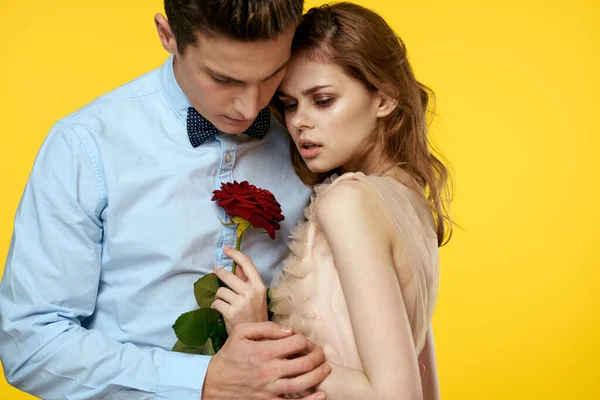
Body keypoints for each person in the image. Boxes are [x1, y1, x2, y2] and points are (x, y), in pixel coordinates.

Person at [0, 1, 332, 399]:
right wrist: (202, 380)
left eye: (271, 75)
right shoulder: (86, 145)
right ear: (168, 35)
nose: (250, 106)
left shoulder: (313, 135)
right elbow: (32, 346)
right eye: (223, 79)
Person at [209, 3, 451, 399]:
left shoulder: (348, 202)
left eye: (322, 100)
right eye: (289, 104)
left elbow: (398, 394)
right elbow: (426, 386)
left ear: (385, 98)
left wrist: (261, 340)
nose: (300, 121)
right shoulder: (411, 200)